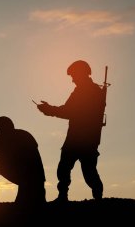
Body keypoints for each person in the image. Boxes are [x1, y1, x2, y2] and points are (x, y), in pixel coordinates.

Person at [36, 60, 105, 202]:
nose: (73, 80)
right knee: (69, 168)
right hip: (83, 138)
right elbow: (69, 111)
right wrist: (50, 109)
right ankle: (73, 197)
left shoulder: (88, 91)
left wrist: (49, 110)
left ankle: (94, 199)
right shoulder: (88, 90)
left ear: (81, 73)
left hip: (82, 139)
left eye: (74, 75)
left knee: (84, 171)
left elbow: (69, 111)